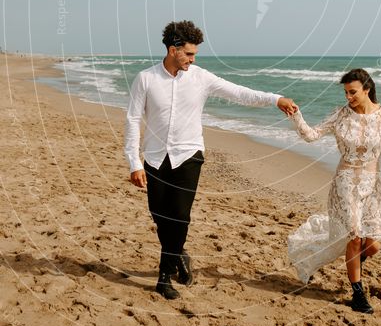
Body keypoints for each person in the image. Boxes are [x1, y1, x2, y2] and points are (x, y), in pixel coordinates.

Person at [125, 20, 298, 299]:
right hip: (155, 159)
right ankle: (179, 254)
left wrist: (274, 98)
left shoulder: (201, 78)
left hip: (189, 156)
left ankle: (163, 278)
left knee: (179, 218)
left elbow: (240, 93)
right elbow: (133, 120)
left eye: (195, 55)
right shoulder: (146, 79)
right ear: (172, 50)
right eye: (189, 54)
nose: (193, 60)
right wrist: (134, 162)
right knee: (160, 217)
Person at [287, 68, 381, 314]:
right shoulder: (340, 115)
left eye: (353, 92)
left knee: (373, 245)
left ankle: (353, 263)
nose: (349, 97)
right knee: (355, 237)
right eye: (346, 92)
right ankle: (358, 294)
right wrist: (296, 116)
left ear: (367, 89)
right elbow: (311, 135)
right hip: (345, 184)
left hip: (373, 185)